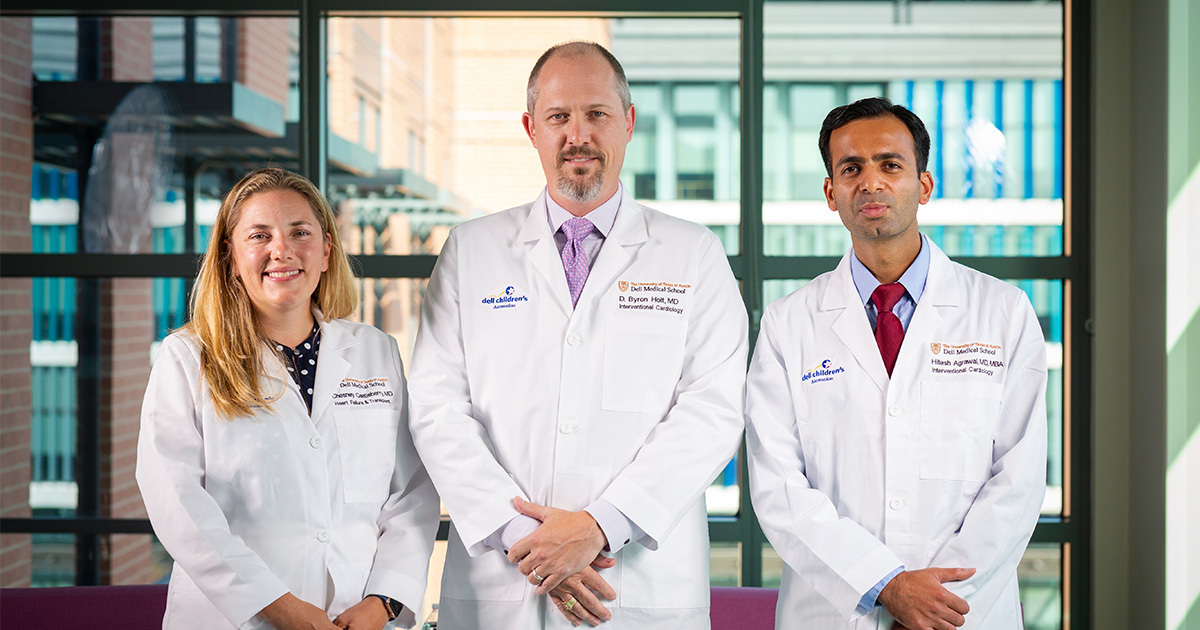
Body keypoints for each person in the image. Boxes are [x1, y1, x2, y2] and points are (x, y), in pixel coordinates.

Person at [407, 41, 747, 629]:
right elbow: (437, 408)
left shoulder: (693, 254)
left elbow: (713, 409)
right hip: (505, 582)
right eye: (558, 117)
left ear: (629, 122)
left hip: (633, 582)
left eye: (597, 114)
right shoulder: (471, 250)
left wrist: (600, 526)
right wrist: (525, 538)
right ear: (531, 129)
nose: (578, 135)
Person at [745, 98, 1047, 630]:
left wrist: (935, 601)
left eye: (890, 165)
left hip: (963, 612)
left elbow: (1018, 482)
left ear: (924, 186)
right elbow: (779, 487)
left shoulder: (1003, 313)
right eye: (851, 168)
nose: (870, 182)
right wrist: (885, 585)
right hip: (836, 613)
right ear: (830, 193)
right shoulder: (788, 324)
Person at [136, 168, 439, 630]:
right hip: (238, 620)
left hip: (358, 617)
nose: (283, 250)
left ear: (325, 253)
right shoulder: (187, 358)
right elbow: (178, 504)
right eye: (260, 235)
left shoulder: (376, 350)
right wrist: (279, 606)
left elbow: (412, 492)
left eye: (301, 232)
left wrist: (385, 601)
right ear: (231, 259)